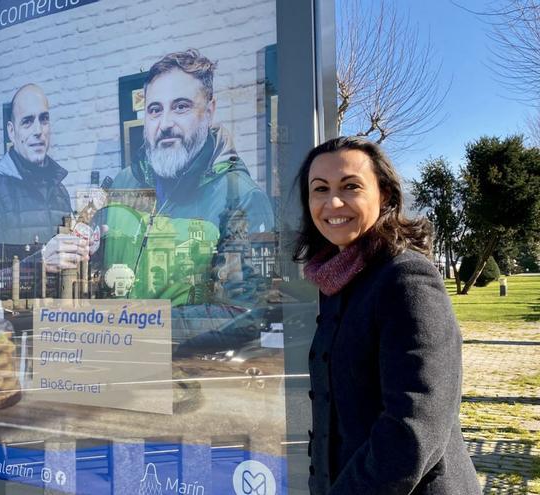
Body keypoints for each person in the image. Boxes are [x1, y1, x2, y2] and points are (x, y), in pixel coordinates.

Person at [293, 137, 480, 494]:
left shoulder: (405, 278)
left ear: (386, 197)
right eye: (319, 189)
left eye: (351, 186)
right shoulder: (339, 280)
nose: (333, 202)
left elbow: (412, 429)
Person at [98, 49, 274, 336]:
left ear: (210, 110)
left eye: (180, 107)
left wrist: (144, 329)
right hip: (114, 365)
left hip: (186, 376)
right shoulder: (123, 184)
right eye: (155, 110)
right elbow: (95, 272)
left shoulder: (242, 196)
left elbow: (244, 314)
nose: (165, 123)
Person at [0, 83, 87, 275]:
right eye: (27, 121)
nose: (38, 130)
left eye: (44, 119)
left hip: (57, 306)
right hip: (15, 306)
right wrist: (38, 265)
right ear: (11, 131)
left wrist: (87, 250)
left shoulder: (60, 191)